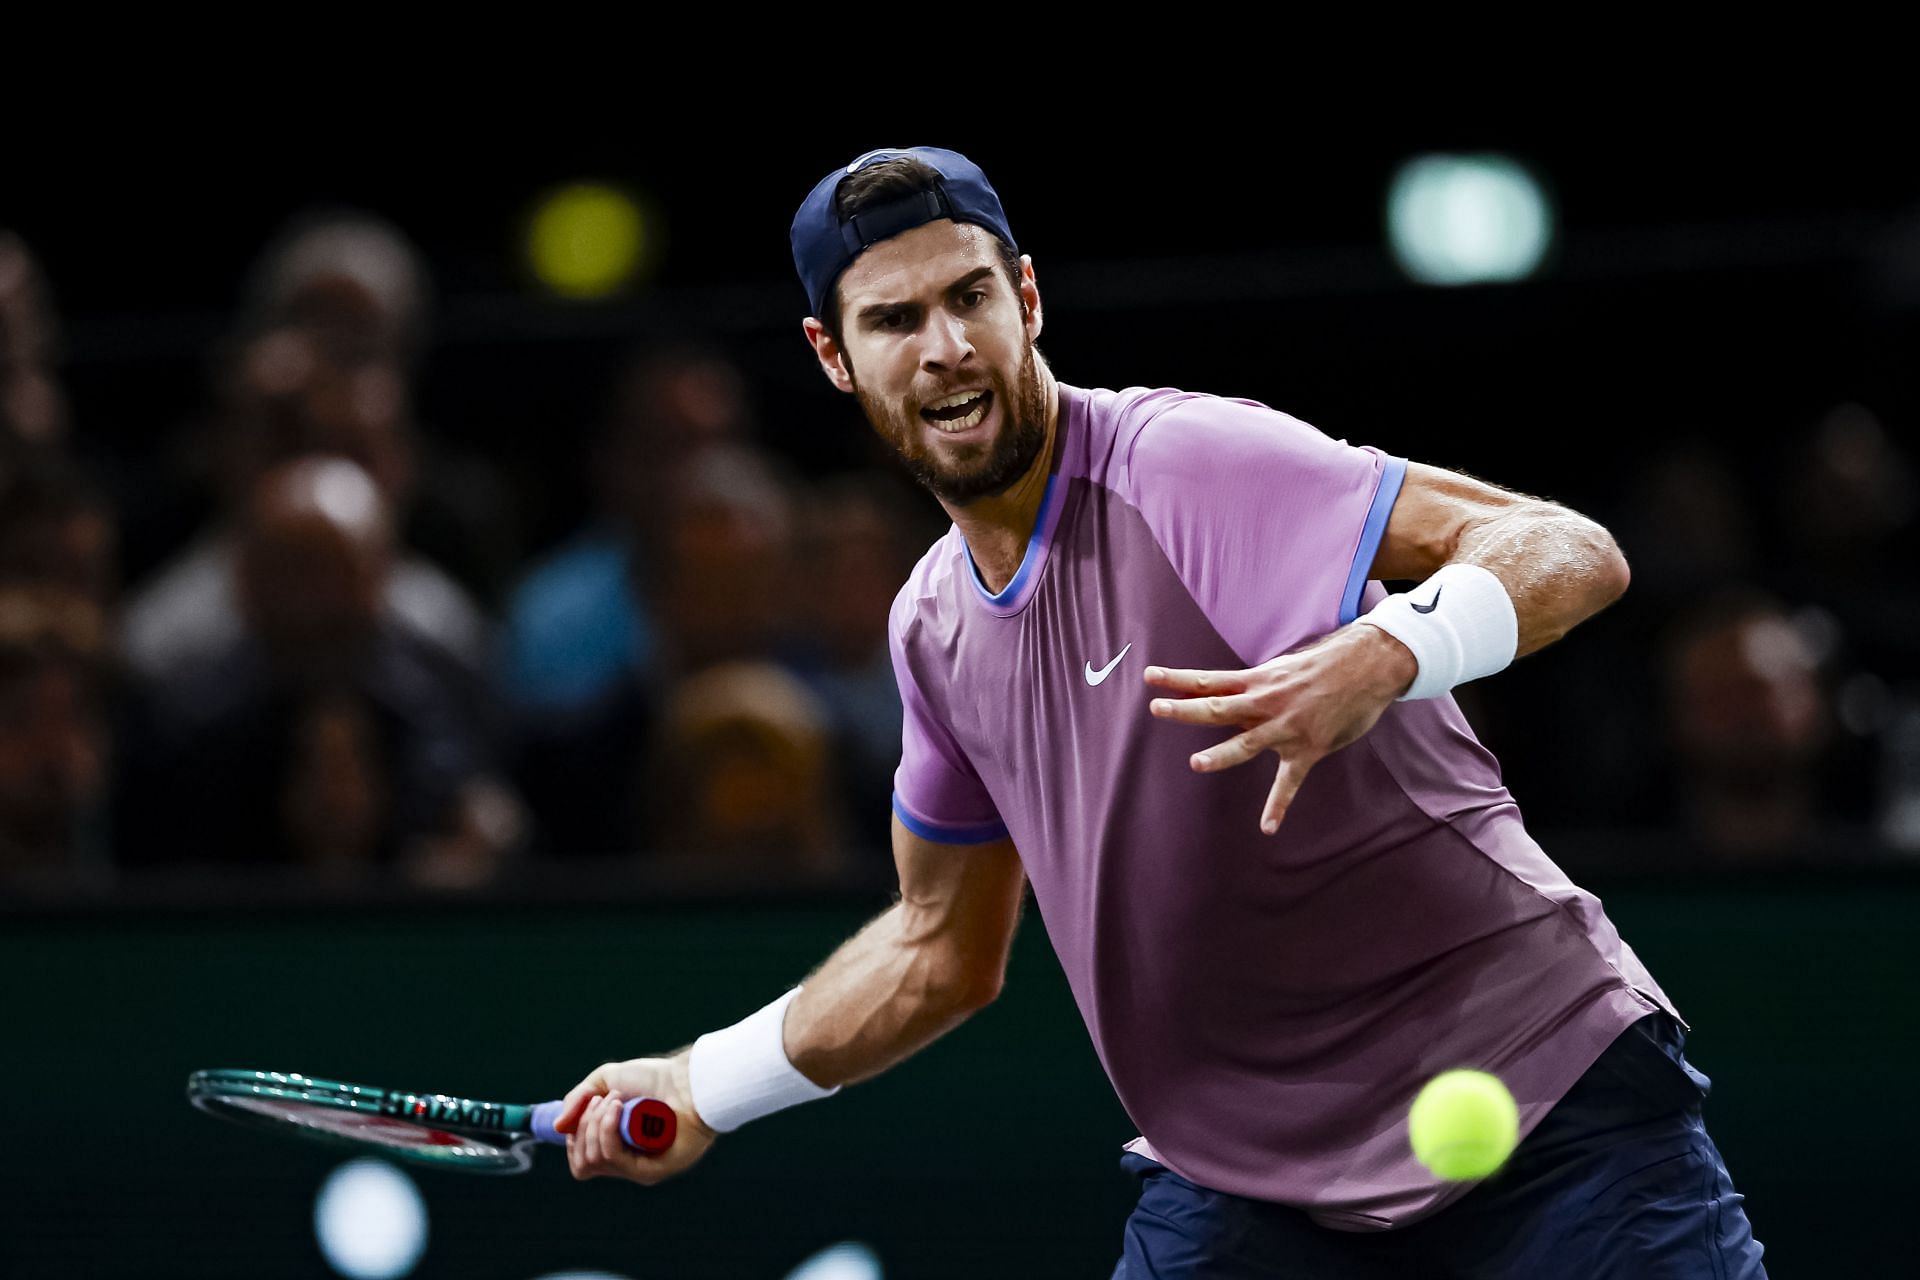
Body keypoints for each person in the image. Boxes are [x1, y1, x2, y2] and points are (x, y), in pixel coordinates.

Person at [550, 148, 1767, 1278]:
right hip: (1244, 1183)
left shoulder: (1181, 464)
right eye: (895, 319)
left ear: (1027, 299)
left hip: (1543, 1103)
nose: (945, 347)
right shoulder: (929, 628)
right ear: (834, 354)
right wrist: (703, 1083)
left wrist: (1390, 647)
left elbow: (1570, 549)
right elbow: (936, 954)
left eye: (969, 298)